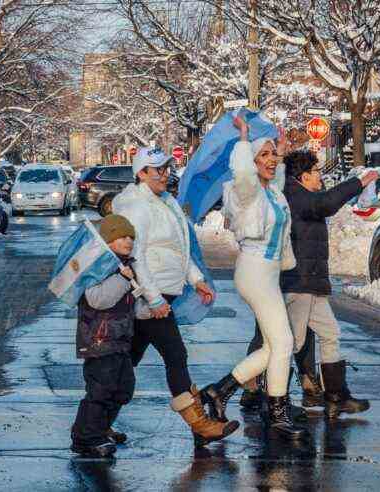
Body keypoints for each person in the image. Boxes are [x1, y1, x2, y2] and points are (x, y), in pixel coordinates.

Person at [112, 147, 238, 447]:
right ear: (141, 173)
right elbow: (136, 255)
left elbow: (179, 249)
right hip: (149, 299)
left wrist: (196, 280)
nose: (165, 174)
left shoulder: (164, 201)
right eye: (158, 169)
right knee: (175, 356)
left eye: (167, 168)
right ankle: (200, 426)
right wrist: (154, 299)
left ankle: (96, 423)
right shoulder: (136, 207)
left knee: (126, 363)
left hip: (163, 294)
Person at [201, 116, 308, 441]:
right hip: (254, 270)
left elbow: (277, 178)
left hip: (269, 272)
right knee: (285, 342)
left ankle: (220, 391)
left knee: (274, 346)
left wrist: (281, 148)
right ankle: (277, 413)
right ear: (250, 160)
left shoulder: (271, 193)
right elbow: (245, 173)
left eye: (272, 155)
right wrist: (245, 139)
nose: (271, 161)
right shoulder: (244, 190)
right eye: (264, 156)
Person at [280, 150, 378, 419]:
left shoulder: (300, 194)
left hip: (310, 283)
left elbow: (322, 202)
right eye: (316, 173)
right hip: (299, 283)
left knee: (330, 333)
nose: (320, 178)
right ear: (303, 177)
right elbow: (325, 204)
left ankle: (336, 397)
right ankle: (264, 395)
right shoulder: (294, 196)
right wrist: (359, 182)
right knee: (291, 343)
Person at [70, 214, 139, 458]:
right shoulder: (100, 265)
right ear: (108, 240)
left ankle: (100, 428)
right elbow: (97, 299)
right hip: (99, 339)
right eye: (122, 237)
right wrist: (123, 279)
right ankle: (85, 438)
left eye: (131, 236)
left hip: (119, 340)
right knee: (101, 390)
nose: (128, 240)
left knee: (123, 388)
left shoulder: (126, 264)